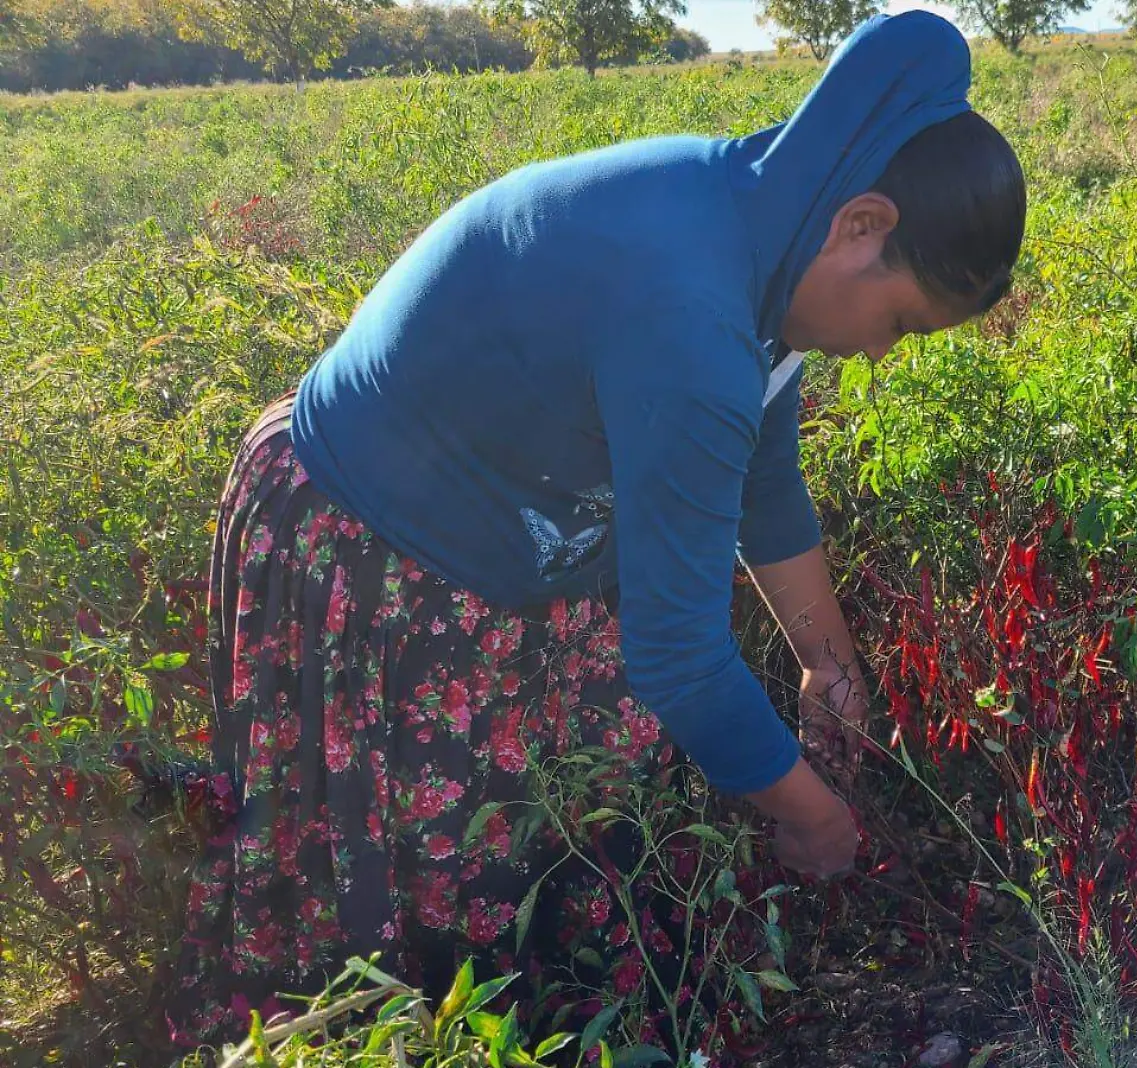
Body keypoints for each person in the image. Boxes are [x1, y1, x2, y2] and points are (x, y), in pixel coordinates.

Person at [165, 9, 1026, 1056]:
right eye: (901, 322)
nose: (884, 354)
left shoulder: (772, 234)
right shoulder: (695, 312)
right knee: (407, 898)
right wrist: (812, 818)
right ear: (862, 225)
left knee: (579, 844)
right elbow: (679, 657)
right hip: (371, 536)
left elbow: (763, 481)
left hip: (521, 532)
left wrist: (826, 671)